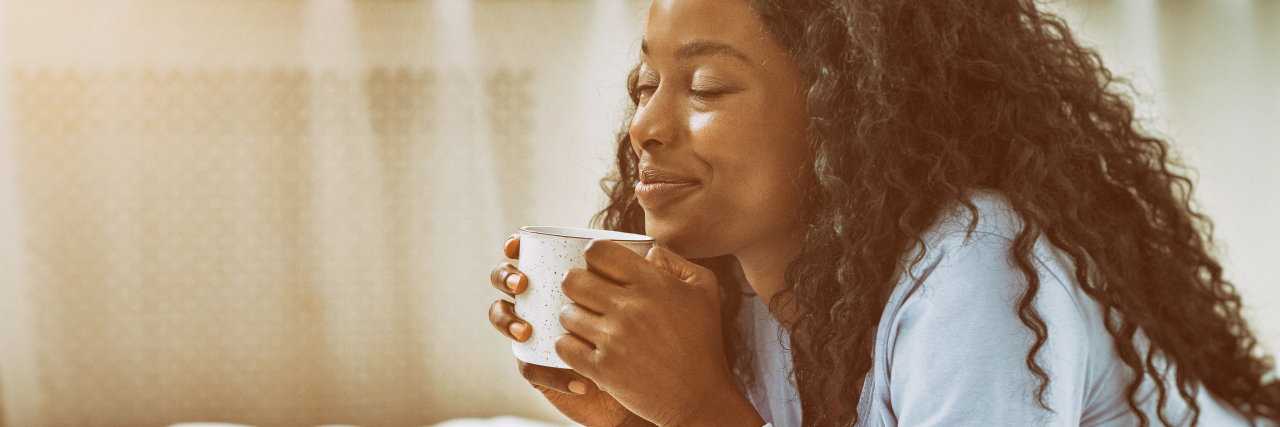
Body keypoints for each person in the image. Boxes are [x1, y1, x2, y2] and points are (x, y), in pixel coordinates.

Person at [486, 0, 1280, 425]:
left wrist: (696, 410)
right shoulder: (745, 298)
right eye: (644, 85)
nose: (644, 127)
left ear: (847, 108)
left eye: (706, 88)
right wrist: (639, 421)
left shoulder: (981, 269)